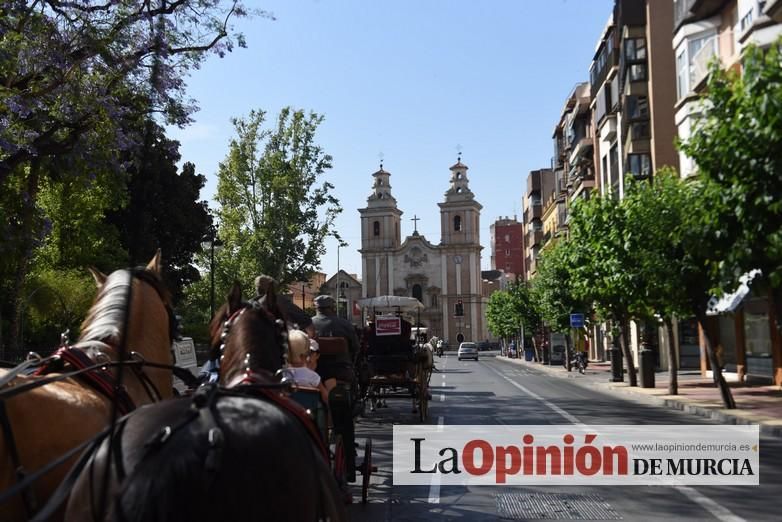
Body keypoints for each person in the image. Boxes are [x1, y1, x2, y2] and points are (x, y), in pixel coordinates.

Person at [311, 295, 360, 393]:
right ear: (333, 308)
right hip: (342, 371)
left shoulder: (309, 324)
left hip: (316, 371)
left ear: (316, 308)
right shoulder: (345, 324)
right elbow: (355, 347)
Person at [286, 329, 329, 404]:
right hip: (309, 412)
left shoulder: (283, 374)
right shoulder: (313, 376)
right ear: (305, 355)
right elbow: (325, 397)